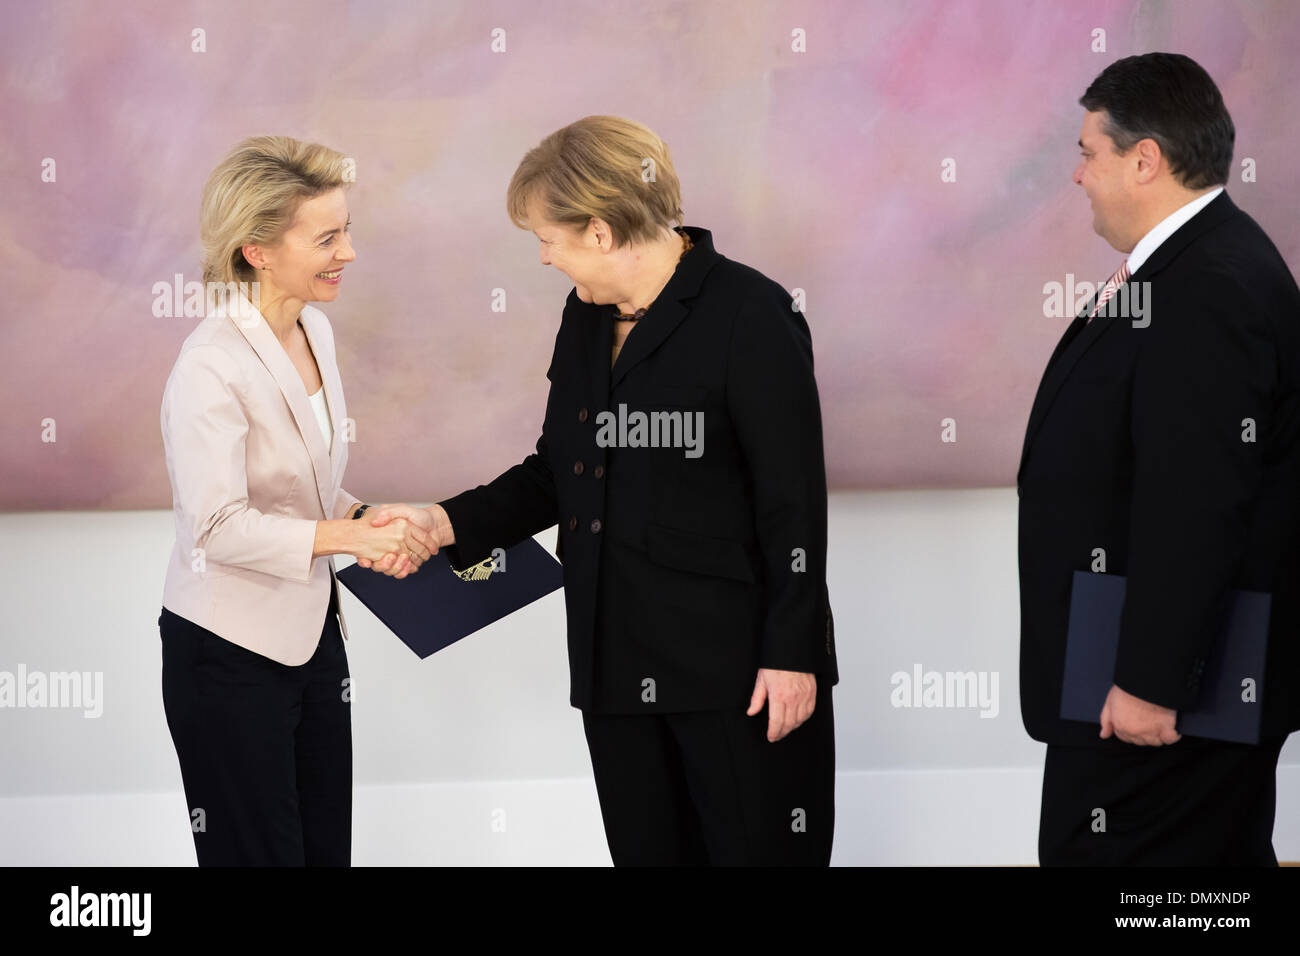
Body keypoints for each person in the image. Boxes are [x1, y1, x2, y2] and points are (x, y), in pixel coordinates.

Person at [368, 115, 838, 865]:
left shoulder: (752, 315)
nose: (546, 259)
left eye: (546, 239)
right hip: (613, 665)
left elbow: (794, 504)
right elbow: (561, 471)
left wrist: (794, 655)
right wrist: (441, 520)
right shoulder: (585, 317)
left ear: (597, 231)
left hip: (736, 673)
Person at [1018, 53, 1300, 865]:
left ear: (1145, 159)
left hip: (1160, 700)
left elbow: (1199, 502)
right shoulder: (1192, 265)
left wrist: (1150, 681)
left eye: (1088, 153)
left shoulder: (1208, 285)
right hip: (1138, 680)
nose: (1078, 177)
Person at [159, 136, 436, 866]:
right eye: (327, 237)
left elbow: (304, 487)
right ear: (256, 250)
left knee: (323, 853)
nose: (349, 251)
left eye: (346, 229)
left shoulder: (314, 328)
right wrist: (348, 541)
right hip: (226, 658)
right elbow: (215, 527)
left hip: (312, 643)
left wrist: (363, 519)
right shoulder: (209, 364)